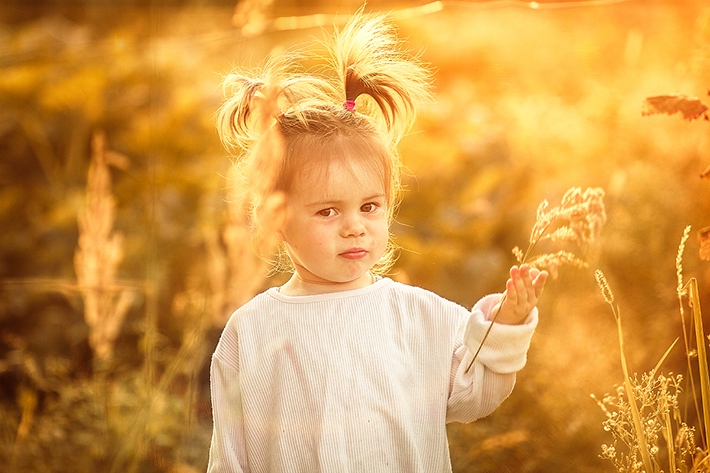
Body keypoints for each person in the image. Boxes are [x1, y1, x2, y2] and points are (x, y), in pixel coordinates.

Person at [207, 12, 548, 473]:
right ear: (276, 219)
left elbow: (475, 394)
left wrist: (505, 325)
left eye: (370, 207)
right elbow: (230, 457)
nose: (355, 227)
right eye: (328, 211)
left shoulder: (417, 315)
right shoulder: (250, 333)